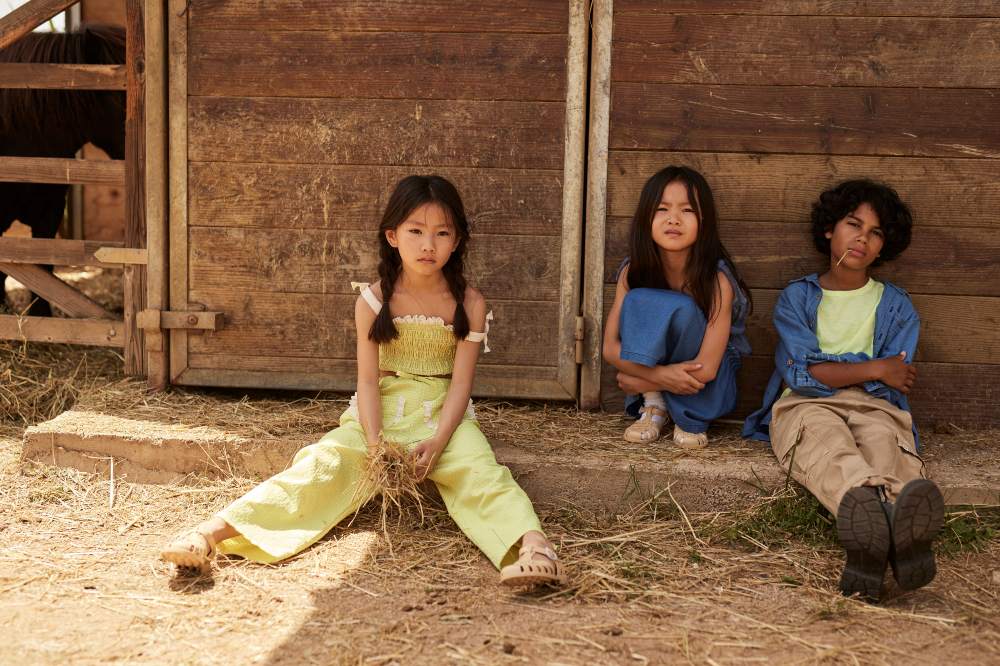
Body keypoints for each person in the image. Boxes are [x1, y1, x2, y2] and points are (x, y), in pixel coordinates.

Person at [161, 175, 565, 588]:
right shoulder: (372, 302)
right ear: (392, 236)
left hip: (443, 416)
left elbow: (461, 385)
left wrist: (441, 441)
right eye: (416, 231)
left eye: (442, 233)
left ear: (457, 240)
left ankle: (534, 548)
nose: (429, 245)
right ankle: (208, 536)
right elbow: (368, 383)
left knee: (482, 473)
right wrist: (375, 447)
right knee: (321, 466)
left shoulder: (470, 304)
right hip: (380, 415)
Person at [743, 179, 944, 601]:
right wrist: (873, 368)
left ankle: (875, 545)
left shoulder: (896, 305)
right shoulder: (797, 298)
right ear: (829, 230)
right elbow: (801, 375)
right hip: (805, 405)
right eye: (854, 225)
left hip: (877, 407)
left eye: (876, 233)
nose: (863, 239)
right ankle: (883, 524)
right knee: (829, 446)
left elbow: (897, 379)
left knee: (885, 443)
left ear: (883, 247)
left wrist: (835, 369)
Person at [602, 165, 751, 448]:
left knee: (682, 309)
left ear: (704, 221)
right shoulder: (632, 272)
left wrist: (642, 379)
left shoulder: (718, 281)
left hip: (706, 382)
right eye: (662, 209)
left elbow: (707, 369)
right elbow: (610, 348)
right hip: (663, 378)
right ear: (646, 217)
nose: (674, 219)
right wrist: (658, 378)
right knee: (641, 299)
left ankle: (683, 413)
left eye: (687, 210)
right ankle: (655, 405)